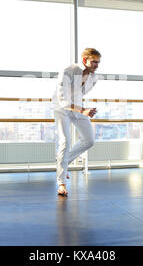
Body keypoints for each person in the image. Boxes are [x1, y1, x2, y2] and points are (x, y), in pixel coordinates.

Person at [52, 48, 101, 195]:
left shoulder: (94, 78)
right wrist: (83, 110)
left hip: (78, 108)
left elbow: (80, 93)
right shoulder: (69, 70)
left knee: (89, 140)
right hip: (62, 109)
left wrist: (83, 110)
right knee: (65, 141)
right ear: (85, 60)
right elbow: (63, 100)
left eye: (98, 62)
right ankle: (61, 183)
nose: (96, 66)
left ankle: (64, 162)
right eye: (94, 62)